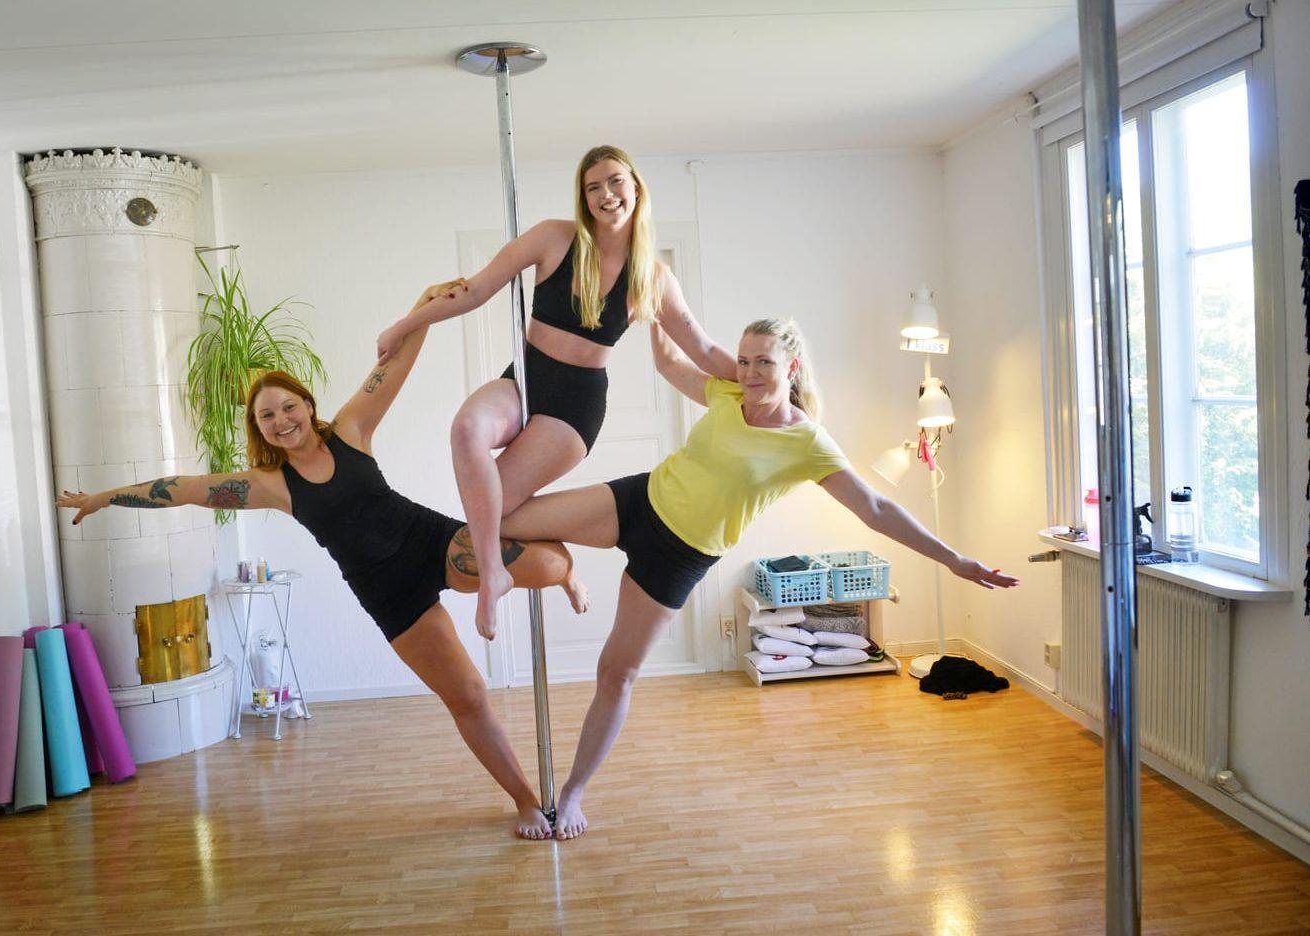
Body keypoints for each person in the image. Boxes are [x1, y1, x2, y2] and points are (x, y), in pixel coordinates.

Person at [58, 282, 587, 840]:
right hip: (388, 594)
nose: (281, 419)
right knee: (469, 697)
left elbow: (397, 360)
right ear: (258, 429)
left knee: (551, 567)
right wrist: (106, 496)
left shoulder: (352, 430)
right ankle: (526, 802)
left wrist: (424, 307)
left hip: (430, 543)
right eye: (267, 416)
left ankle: (569, 574)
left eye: (289, 406)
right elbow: (183, 488)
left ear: (308, 406)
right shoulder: (269, 485)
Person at [495, 317, 1020, 839]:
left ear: (790, 368)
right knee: (503, 517)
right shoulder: (727, 393)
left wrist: (953, 559)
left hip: (678, 556)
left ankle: (573, 794)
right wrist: (652, 311)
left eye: (763, 362)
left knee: (616, 673)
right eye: (743, 360)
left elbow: (877, 508)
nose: (748, 372)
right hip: (637, 502)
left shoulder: (807, 442)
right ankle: (564, 571)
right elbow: (672, 362)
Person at [375, 145, 737, 641]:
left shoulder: (652, 276)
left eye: (614, 182)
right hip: (525, 376)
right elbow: (476, 290)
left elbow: (703, 349)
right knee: (466, 431)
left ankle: (559, 569)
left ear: (635, 187)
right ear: (583, 198)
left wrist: (762, 381)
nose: (606, 195)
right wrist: (405, 325)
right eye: (593, 187)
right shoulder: (554, 238)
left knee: (494, 508)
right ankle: (493, 574)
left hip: (576, 405)